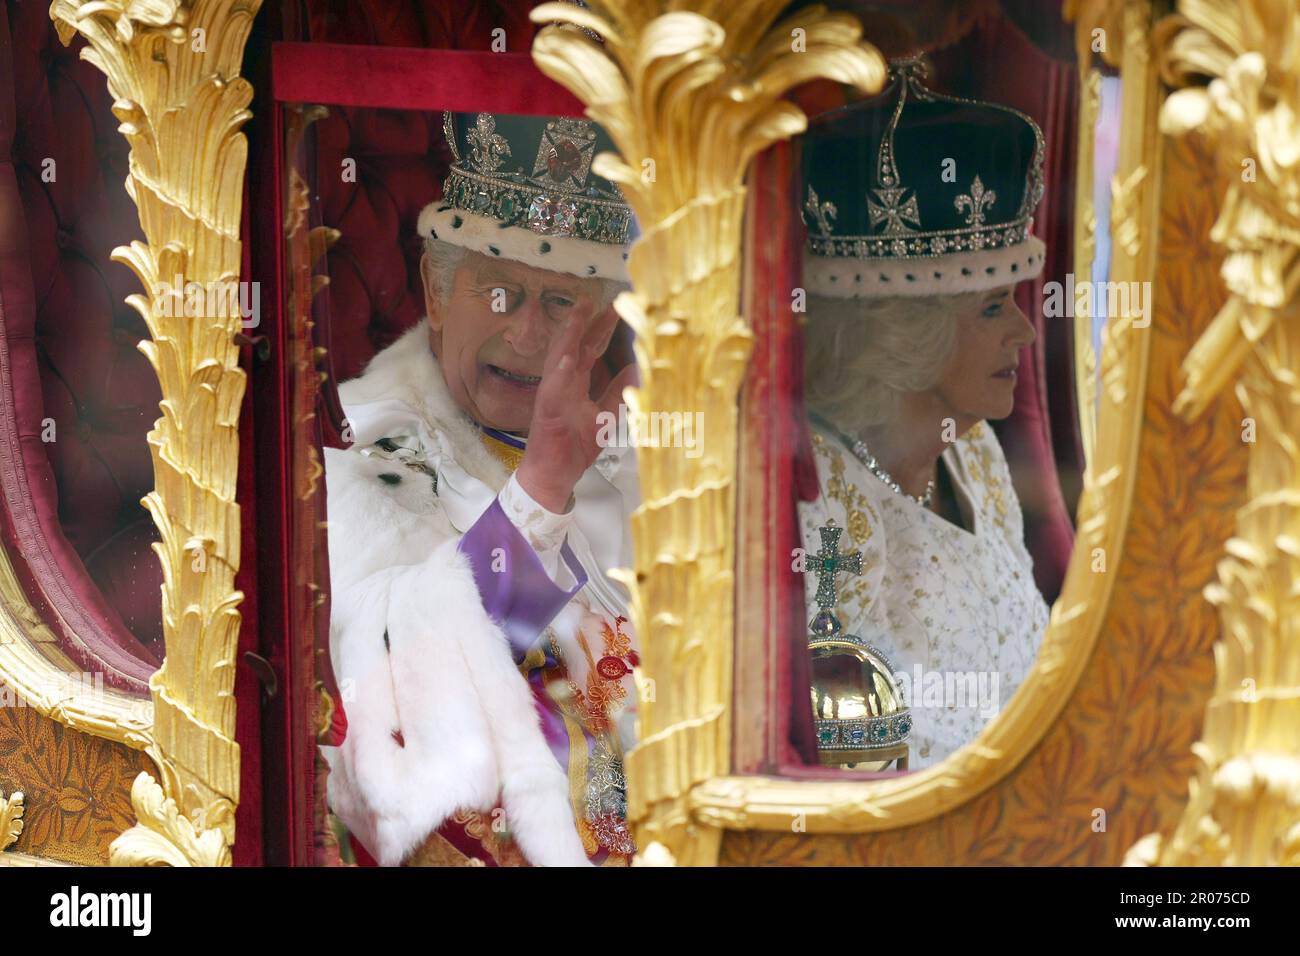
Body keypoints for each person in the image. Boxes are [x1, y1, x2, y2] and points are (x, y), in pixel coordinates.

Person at [321, 112, 641, 866]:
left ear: (603, 325)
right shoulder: (364, 449)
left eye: (561, 304)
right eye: (500, 294)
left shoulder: (636, 441)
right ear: (436, 293)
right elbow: (399, 682)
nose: (528, 335)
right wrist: (542, 487)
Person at [796, 57, 1051, 770]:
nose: (1026, 334)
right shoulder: (820, 498)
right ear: (903, 326)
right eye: (993, 306)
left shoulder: (975, 456)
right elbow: (847, 766)